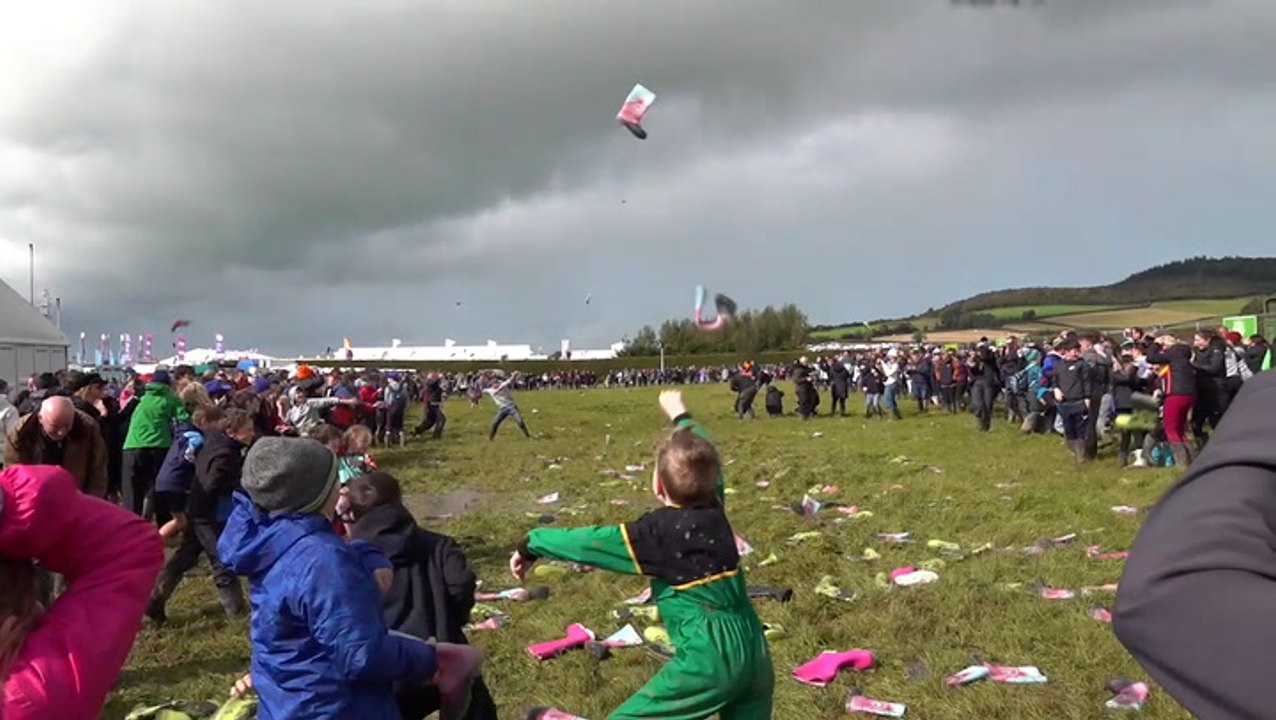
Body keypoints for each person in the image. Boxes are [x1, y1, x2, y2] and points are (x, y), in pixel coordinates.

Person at [509, 391, 773, 719]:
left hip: (710, 655)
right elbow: (706, 454)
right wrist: (681, 415)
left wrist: (531, 543)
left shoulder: (655, 534)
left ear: (659, 485)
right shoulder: (714, 507)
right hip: (755, 648)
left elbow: (588, 543)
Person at [218, 436, 480, 719]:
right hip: (335, 706)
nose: (342, 487)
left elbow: (305, 586)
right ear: (317, 493)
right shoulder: (323, 561)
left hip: (288, 697)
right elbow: (360, 654)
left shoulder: (272, 540)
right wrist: (432, 659)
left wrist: (363, 552)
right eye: (336, 480)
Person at [1113, 370, 1276, 719]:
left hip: (1148, 402)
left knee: (1158, 430)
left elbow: (1166, 590)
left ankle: (1160, 459)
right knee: (1136, 430)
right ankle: (1133, 456)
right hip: (1141, 401)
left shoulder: (1160, 366)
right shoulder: (1160, 366)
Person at [1, 465, 163, 719]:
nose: (44, 610)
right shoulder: (33, 696)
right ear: (10, 621)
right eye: (34, 605)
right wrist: (13, 503)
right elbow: (128, 546)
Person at [345, 471, 499, 720]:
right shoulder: (439, 544)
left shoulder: (344, 559)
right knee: (475, 703)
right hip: (443, 655)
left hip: (383, 667)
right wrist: (453, 621)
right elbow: (460, 586)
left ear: (351, 513)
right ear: (400, 501)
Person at [147, 408, 254, 623]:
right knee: (221, 560)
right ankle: (236, 613)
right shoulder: (224, 454)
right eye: (248, 430)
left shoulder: (218, 443)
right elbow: (212, 482)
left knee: (185, 557)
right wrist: (238, 485)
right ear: (232, 432)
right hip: (207, 514)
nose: (252, 433)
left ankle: (153, 601)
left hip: (197, 509)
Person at [122, 370, 190, 523]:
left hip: (132, 445)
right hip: (159, 445)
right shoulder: (171, 399)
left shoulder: (141, 398)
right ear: (168, 384)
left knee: (132, 491)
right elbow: (183, 419)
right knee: (159, 487)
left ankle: (129, 526)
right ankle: (163, 524)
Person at [5, 397, 108, 498]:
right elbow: (13, 473)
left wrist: (90, 502)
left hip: (76, 495)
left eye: (67, 426)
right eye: (54, 426)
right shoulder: (21, 432)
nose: (61, 432)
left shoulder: (88, 428)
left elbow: (98, 470)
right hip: (35, 494)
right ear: (40, 418)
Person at [484, 372, 530, 440]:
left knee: (520, 422)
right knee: (495, 423)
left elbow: (509, 381)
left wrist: (514, 375)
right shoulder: (490, 390)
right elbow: (480, 390)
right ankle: (490, 439)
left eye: (497, 383)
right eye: (494, 384)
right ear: (492, 385)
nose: (496, 384)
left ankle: (528, 436)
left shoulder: (503, 385)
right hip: (502, 409)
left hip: (512, 407)